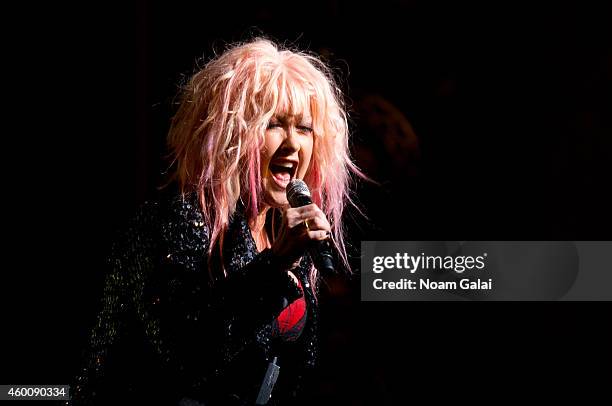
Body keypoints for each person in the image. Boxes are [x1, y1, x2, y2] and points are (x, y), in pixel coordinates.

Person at [68, 38, 365, 405]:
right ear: (230, 135)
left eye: (304, 128)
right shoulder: (176, 221)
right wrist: (274, 265)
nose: (292, 144)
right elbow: (186, 353)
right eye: (274, 124)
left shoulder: (283, 235)